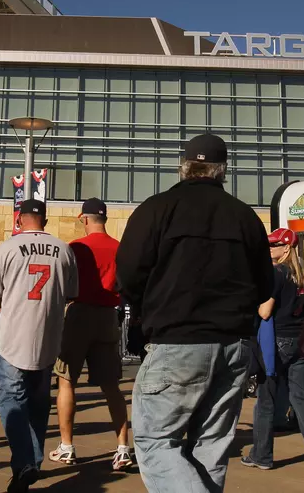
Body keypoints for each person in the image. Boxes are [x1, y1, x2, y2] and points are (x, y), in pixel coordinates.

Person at [117, 133, 273, 493]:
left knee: (156, 442)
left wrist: (147, 305)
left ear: (184, 166)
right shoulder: (245, 216)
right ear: (223, 170)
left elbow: (127, 274)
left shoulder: (157, 209)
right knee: (211, 446)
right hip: (234, 345)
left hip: (176, 341)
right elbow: (265, 286)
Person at [0, 199, 79, 493]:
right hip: (48, 339)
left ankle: (24, 463)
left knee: (12, 404)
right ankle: (33, 463)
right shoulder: (64, 250)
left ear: (19, 219)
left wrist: (11, 306)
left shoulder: (7, 248)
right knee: (38, 406)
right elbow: (71, 294)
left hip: (13, 338)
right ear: (45, 221)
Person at [241, 227, 304, 477]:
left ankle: (261, 455)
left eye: (274, 245)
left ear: (286, 248)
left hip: (276, 342)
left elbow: (264, 312)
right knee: (302, 400)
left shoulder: (276, 273)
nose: (269, 248)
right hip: (297, 340)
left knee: (266, 400)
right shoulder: (302, 276)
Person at [50, 198, 132, 471]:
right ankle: (122, 448)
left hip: (78, 313)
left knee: (66, 379)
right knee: (111, 386)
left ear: (84, 219)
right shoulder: (120, 248)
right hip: (108, 315)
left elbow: (63, 285)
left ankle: (67, 446)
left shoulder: (75, 248)